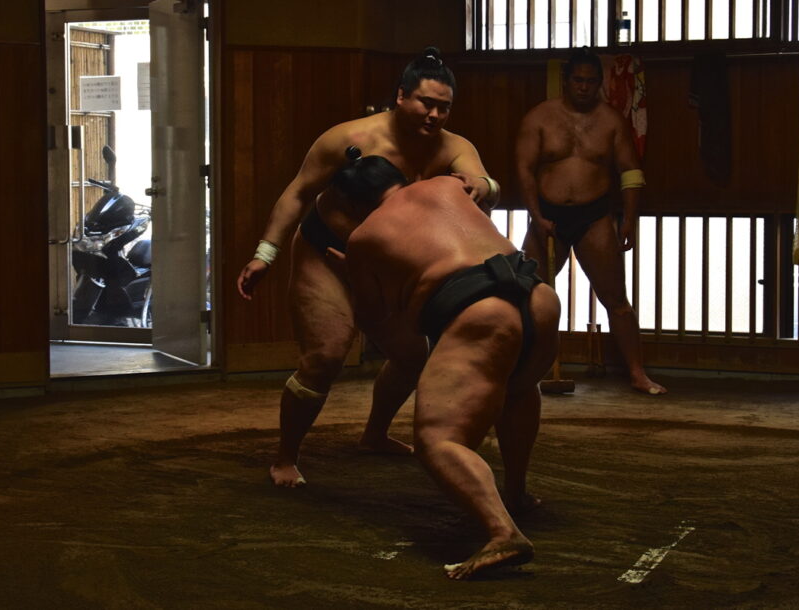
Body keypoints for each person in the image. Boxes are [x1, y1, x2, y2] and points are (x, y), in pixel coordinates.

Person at [236, 47, 501, 487]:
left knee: (413, 355)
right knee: (324, 357)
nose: (435, 115)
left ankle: (375, 435)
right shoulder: (349, 138)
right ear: (400, 95)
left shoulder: (455, 149)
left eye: (444, 107)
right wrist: (265, 253)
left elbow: (485, 186)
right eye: (426, 103)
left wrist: (483, 184)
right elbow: (298, 194)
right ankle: (286, 456)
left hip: (389, 268)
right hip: (328, 256)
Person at [330, 152, 560, 580]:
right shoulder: (450, 185)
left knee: (437, 438)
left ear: (355, 205)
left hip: (481, 314)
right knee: (517, 387)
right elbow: (479, 198)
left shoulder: (363, 237)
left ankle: (501, 531)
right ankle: (516, 493)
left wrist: (353, 271)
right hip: (539, 298)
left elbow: (372, 315)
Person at [515, 47, 666, 395]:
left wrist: (629, 218)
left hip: (594, 215)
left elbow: (629, 171)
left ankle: (637, 372)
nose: (584, 87)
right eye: (578, 80)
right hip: (547, 214)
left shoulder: (612, 121)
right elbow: (524, 170)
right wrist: (536, 216)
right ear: (567, 81)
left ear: (600, 83)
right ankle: (517, 368)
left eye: (591, 81)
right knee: (524, 295)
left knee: (616, 299)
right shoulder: (539, 118)